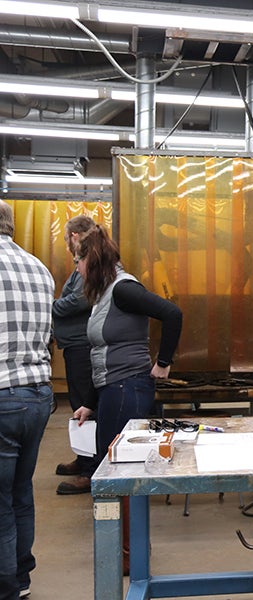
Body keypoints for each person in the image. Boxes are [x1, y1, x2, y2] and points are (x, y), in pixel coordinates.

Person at [70, 222, 182, 573]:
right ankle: (124, 550)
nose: (76, 268)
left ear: (92, 259)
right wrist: (89, 401)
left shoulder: (123, 289)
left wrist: (163, 363)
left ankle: (130, 555)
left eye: (78, 260)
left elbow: (172, 313)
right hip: (113, 390)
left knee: (120, 472)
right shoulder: (106, 294)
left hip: (128, 389)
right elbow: (99, 355)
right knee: (114, 471)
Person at [0, 200, 55, 599]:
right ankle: (21, 578)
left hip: (2, 392)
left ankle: (7, 585)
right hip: (37, 394)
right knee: (21, 492)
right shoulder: (40, 268)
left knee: (1, 500)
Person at [53, 215, 100, 495]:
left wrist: (55, 306)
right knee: (78, 404)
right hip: (74, 346)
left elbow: (83, 297)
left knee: (86, 406)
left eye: (65, 239)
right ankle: (83, 458)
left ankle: (90, 469)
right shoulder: (81, 262)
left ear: (74, 236)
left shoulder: (90, 262)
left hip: (83, 345)